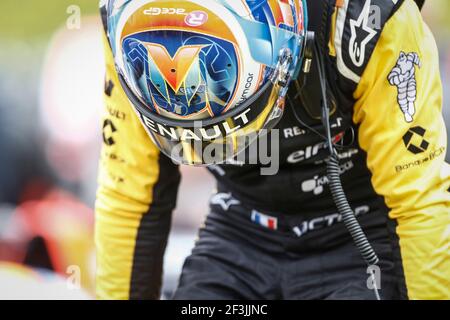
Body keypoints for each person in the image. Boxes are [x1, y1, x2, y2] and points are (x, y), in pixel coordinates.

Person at [96, 0, 449, 300]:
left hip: (357, 230)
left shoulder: (367, 19)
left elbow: (419, 203)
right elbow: (128, 193)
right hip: (240, 228)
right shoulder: (120, 25)